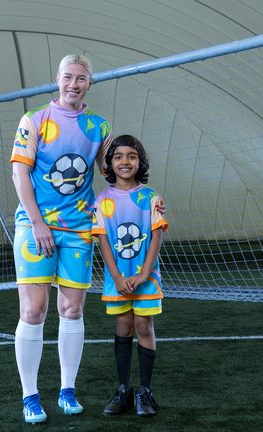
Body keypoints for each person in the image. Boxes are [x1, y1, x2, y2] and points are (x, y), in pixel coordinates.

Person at [10, 53, 111, 424]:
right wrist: (37, 222)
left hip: (78, 230)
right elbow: (20, 175)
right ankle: (30, 395)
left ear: (90, 83)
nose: (74, 84)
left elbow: (113, 172)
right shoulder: (34, 119)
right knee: (33, 310)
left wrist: (137, 199)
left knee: (72, 309)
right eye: (68, 77)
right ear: (57, 79)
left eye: (81, 78)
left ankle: (68, 389)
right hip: (36, 227)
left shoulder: (100, 127)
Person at [91, 134, 168, 417]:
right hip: (118, 280)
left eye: (132, 156)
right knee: (123, 327)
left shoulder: (151, 198)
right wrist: (117, 277)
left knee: (143, 327)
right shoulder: (102, 202)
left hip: (146, 280)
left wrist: (145, 273)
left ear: (140, 161)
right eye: (119, 156)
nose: (125, 161)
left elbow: (157, 237)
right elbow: (104, 242)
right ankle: (124, 390)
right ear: (109, 163)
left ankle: (144, 392)